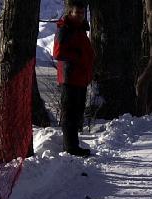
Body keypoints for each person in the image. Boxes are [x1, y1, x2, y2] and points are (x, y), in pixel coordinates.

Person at [53, 0, 95, 157]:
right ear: (70, 12)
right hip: (69, 78)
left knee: (77, 113)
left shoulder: (80, 29)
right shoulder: (65, 29)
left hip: (81, 78)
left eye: (82, 13)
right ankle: (70, 148)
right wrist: (77, 57)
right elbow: (58, 53)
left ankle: (74, 145)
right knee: (70, 114)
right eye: (77, 13)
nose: (80, 16)